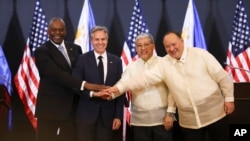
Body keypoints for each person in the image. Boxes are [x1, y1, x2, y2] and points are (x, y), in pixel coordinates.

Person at [104, 31, 235, 141]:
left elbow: (223, 77)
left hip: (216, 114)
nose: (171, 49)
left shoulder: (200, 54)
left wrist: (229, 98)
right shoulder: (163, 64)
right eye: (167, 46)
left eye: (174, 44)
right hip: (190, 123)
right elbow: (142, 79)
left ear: (182, 41)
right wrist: (117, 89)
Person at [34, 17, 105, 141]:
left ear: (65, 31)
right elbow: (57, 75)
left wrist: (94, 91)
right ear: (48, 31)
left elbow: (81, 72)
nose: (57, 33)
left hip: (73, 108)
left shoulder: (75, 48)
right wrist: (86, 85)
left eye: (61, 30)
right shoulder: (42, 51)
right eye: (54, 30)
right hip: (51, 109)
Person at [108, 33, 174, 141]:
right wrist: (109, 94)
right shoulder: (131, 66)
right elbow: (123, 83)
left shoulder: (164, 63)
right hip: (139, 123)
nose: (143, 48)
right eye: (139, 45)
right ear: (136, 48)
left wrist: (170, 113)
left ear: (153, 46)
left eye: (146, 44)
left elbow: (173, 90)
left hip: (163, 121)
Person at [72, 26, 125, 141]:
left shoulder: (116, 61)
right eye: (97, 39)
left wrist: (118, 116)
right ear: (92, 41)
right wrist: (92, 94)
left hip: (108, 118)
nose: (100, 42)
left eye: (103, 39)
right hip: (86, 117)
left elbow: (121, 90)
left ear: (107, 40)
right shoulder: (82, 59)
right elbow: (75, 85)